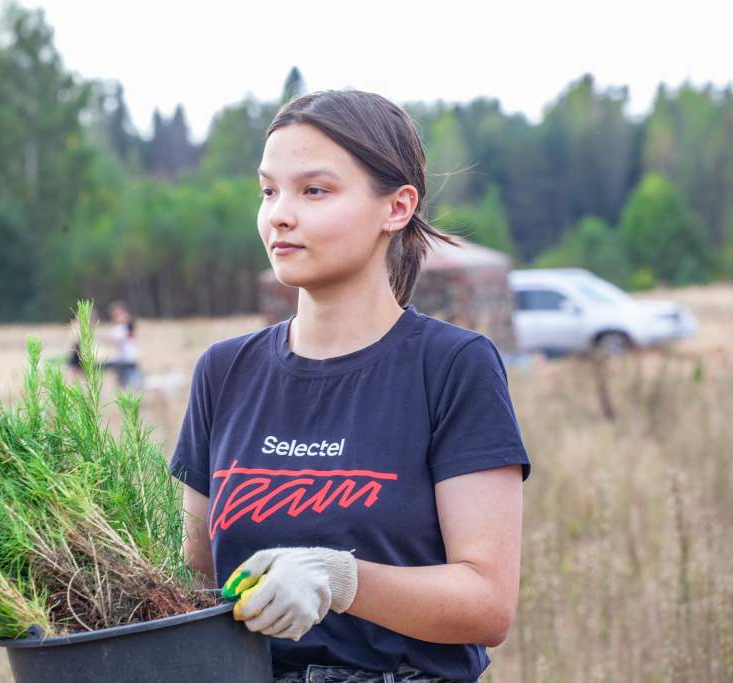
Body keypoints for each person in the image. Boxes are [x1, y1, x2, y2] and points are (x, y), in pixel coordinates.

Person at [169, 90, 531, 683]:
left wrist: (342, 580)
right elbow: (190, 582)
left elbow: (487, 605)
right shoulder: (224, 371)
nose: (279, 213)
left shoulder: (451, 367)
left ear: (396, 207)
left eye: (314, 190)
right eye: (268, 190)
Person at [102, 299, 142, 390]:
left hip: (129, 360)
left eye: (119, 313)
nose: (117, 316)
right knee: (125, 387)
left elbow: (130, 330)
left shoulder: (127, 326)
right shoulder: (119, 328)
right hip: (124, 361)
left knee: (132, 387)